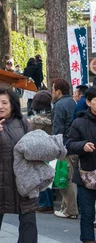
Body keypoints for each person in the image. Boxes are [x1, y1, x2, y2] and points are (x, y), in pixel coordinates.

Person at [0, 88, 37, 243]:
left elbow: (32, 143)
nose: (0, 106)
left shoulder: (22, 121)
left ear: (12, 105)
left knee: (28, 219)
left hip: (22, 178)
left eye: (4, 103)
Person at [66, 86, 96, 243]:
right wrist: (83, 146)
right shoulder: (79, 122)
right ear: (89, 102)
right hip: (86, 175)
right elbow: (70, 144)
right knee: (87, 213)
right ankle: (88, 240)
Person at [51, 77, 79, 219]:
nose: (52, 93)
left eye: (53, 90)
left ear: (59, 91)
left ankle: (70, 210)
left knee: (65, 179)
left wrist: (56, 146)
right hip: (75, 145)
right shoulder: (73, 102)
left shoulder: (59, 105)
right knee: (69, 177)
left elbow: (58, 129)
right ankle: (65, 208)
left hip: (65, 145)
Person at [30, 91, 55, 214]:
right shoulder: (53, 117)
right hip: (52, 150)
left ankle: (44, 203)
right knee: (48, 176)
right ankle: (49, 202)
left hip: (39, 151)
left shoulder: (36, 122)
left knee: (40, 177)